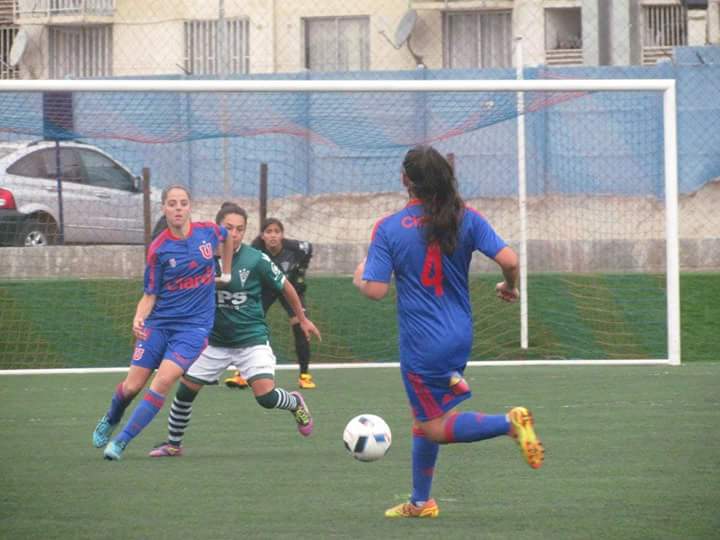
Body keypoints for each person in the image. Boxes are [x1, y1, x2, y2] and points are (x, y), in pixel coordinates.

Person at [353, 145, 544, 519]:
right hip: (460, 334)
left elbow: (375, 290)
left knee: (434, 426)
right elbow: (510, 259)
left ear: (405, 180)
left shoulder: (389, 227)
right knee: (422, 415)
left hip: (423, 344)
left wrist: (359, 278)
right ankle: (421, 502)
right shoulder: (465, 217)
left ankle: (510, 423)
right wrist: (509, 286)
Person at [148, 202, 321, 457]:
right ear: (217, 228)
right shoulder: (200, 256)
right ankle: (174, 445)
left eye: (240, 229)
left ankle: (294, 402)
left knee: (265, 397)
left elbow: (286, 286)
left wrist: (302, 319)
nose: (234, 233)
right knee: (185, 390)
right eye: (228, 228)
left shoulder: (255, 259)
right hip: (214, 342)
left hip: (251, 340)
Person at [92, 184, 234, 460]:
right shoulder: (159, 249)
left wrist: (225, 272)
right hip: (159, 325)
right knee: (132, 386)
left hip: (194, 328)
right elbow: (150, 295)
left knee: (164, 381)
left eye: (183, 203)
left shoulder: (207, 232)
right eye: (172, 203)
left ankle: (121, 442)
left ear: (190, 206)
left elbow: (227, 237)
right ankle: (112, 418)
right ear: (164, 209)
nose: (178, 208)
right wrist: (138, 316)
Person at [224, 217, 316, 389]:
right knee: (249, 323)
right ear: (262, 235)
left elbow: (309, 248)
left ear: (282, 235)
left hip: (288, 287)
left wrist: (300, 272)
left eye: (277, 232)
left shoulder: (294, 248)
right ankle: (241, 375)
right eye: (269, 232)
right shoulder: (254, 249)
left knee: (300, 324)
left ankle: (304, 375)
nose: (273, 236)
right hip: (266, 289)